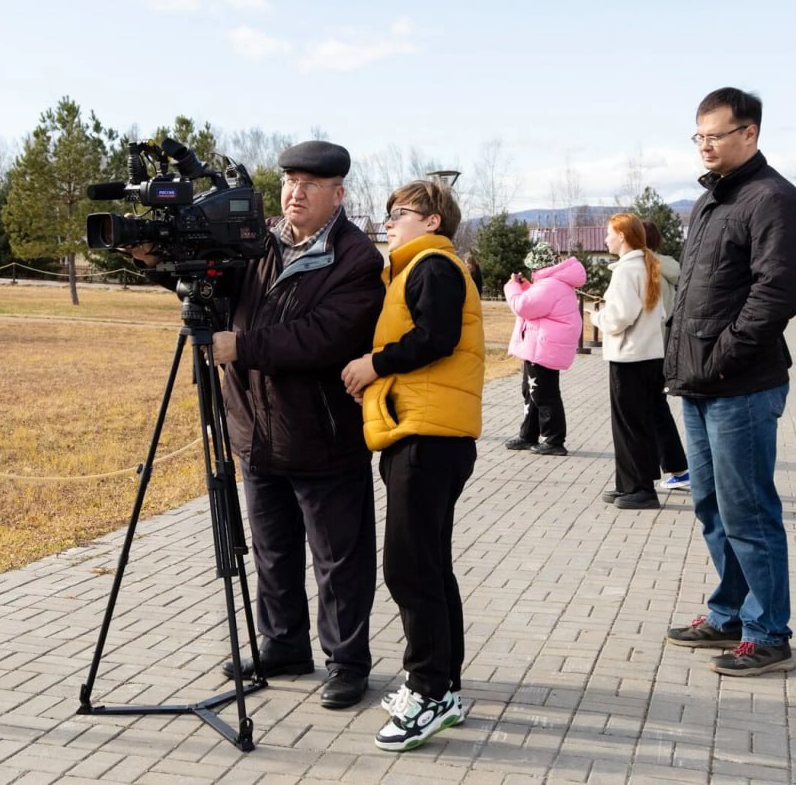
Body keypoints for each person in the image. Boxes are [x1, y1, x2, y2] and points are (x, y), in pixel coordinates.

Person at [162, 140, 385, 709]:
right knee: (272, 550)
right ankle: (283, 645)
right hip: (255, 432)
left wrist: (246, 345)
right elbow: (213, 288)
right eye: (290, 181)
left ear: (338, 194)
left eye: (311, 183)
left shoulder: (356, 258)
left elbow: (327, 336)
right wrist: (164, 266)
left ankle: (347, 662)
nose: (296, 192)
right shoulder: (255, 241)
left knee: (338, 559)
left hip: (323, 436)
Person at [663, 87, 796, 677]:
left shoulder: (773, 199)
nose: (705, 146)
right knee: (711, 506)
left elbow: (776, 292)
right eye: (698, 136)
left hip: (741, 386)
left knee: (749, 512)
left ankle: (769, 632)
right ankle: (729, 613)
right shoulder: (709, 202)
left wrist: (722, 356)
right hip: (700, 384)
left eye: (715, 135)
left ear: (749, 134)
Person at [340, 179, 482, 751]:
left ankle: (428, 692)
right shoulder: (414, 268)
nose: (391, 221)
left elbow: (437, 338)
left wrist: (375, 364)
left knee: (408, 566)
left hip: (428, 436)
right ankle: (441, 682)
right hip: (423, 433)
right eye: (390, 213)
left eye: (401, 212)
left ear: (432, 219)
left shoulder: (433, 264)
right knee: (429, 562)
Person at [591, 213, 668, 511]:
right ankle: (630, 482)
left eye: (609, 233)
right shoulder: (646, 265)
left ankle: (640, 488)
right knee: (639, 422)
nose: (606, 239)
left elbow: (620, 316)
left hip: (629, 357)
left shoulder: (627, 270)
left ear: (622, 236)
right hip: (648, 356)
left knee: (628, 425)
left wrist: (597, 316)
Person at [502, 240, 586, 457]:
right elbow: (537, 301)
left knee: (544, 394)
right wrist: (524, 287)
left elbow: (523, 306)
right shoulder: (554, 283)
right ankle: (528, 434)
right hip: (541, 346)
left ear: (539, 267)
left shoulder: (550, 285)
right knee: (531, 392)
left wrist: (512, 287)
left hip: (543, 348)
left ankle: (554, 439)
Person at [643, 220, 689, 490]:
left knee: (654, 409)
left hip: (649, 347)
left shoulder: (644, 267)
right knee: (655, 408)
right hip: (665, 344)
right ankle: (673, 466)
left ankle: (676, 467)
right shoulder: (668, 265)